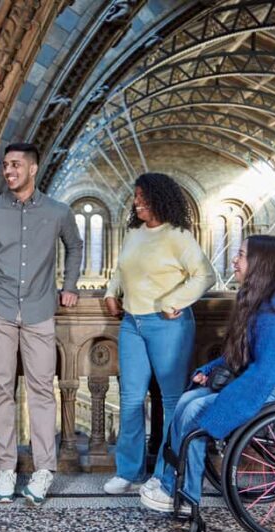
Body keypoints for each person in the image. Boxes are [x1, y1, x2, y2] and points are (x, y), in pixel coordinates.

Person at [140, 234, 275, 512]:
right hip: (265, 383)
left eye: (241, 255)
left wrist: (220, 414)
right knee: (186, 401)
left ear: (260, 263)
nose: (234, 260)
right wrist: (210, 369)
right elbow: (246, 353)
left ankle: (185, 496)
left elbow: (264, 374)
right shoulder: (263, 301)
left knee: (196, 412)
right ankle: (170, 481)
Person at [0, 142, 83, 506]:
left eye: (15, 165)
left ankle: (44, 470)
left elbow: (75, 246)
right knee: (0, 390)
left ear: (32, 168)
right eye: (5, 165)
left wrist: (70, 285)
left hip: (40, 312)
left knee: (42, 390)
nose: (8, 171)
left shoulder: (58, 212)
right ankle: (5, 469)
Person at [103, 173, 215, 495]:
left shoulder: (178, 236)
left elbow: (206, 275)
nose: (137, 202)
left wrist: (174, 301)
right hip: (132, 323)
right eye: (136, 197)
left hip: (168, 325)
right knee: (130, 399)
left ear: (160, 199)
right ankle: (128, 471)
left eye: (143, 197)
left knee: (171, 401)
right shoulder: (134, 233)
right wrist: (111, 292)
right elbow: (121, 269)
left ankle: (166, 473)